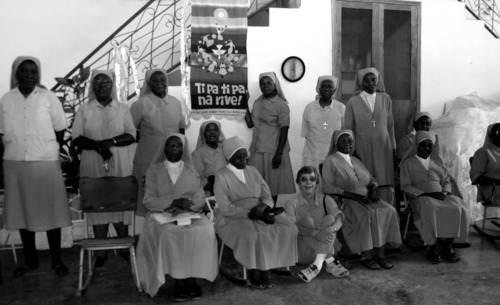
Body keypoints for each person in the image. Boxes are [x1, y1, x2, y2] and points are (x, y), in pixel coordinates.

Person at [0, 56, 71, 277]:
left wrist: (45, 146)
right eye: (25, 71)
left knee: (51, 211)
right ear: (16, 74)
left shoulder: (49, 97)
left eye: (33, 71)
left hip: (45, 162)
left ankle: (57, 260)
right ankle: (30, 260)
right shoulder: (6, 99)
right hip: (15, 162)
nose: (30, 75)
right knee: (23, 212)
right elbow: (2, 132)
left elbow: (60, 128)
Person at [136, 134, 218, 300]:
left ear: (183, 149)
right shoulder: (154, 170)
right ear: (164, 148)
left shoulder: (191, 171)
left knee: (206, 229)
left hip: (190, 214)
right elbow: (148, 200)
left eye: (178, 146)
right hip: (161, 214)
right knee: (172, 233)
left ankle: (193, 276)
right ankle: (179, 280)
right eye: (171, 145)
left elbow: (200, 199)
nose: (174, 149)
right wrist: (173, 202)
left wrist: (187, 206)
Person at [213, 136, 298, 289]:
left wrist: (263, 206)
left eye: (245, 154)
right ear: (229, 157)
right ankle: (255, 269)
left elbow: (267, 194)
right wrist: (252, 213)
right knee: (252, 235)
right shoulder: (221, 177)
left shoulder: (253, 171)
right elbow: (226, 208)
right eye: (238, 156)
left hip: (260, 210)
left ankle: (271, 263)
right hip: (234, 216)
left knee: (289, 227)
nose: (244, 159)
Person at [72, 70, 136, 266]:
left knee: (120, 199)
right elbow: (77, 138)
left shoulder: (123, 109)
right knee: (97, 200)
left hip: (119, 164)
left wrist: (110, 142)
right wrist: (101, 147)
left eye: (106, 82)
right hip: (92, 163)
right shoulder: (85, 109)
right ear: (92, 86)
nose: (102, 85)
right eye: (97, 82)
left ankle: (123, 247)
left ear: (112, 85)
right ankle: (100, 252)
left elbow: (131, 135)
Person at [322, 130, 401, 270]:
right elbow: (327, 187)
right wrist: (354, 196)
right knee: (365, 215)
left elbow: (371, 179)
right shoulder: (330, 161)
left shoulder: (356, 160)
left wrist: (372, 188)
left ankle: (380, 254)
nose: (348, 143)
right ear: (336, 143)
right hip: (347, 200)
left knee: (389, 210)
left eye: (350, 140)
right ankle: (366, 255)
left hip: (368, 197)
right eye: (343, 140)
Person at [400, 131, 470, 264]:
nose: (426, 148)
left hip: (440, 195)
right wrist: (428, 194)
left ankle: (448, 245)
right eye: (423, 145)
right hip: (420, 197)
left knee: (457, 206)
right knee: (430, 208)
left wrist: (444, 193)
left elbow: (447, 181)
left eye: (429, 145)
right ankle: (432, 247)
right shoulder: (407, 163)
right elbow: (405, 185)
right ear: (416, 145)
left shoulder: (437, 163)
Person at [130, 69, 186, 216]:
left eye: (162, 79)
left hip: (171, 158)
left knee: (171, 195)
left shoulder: (176, 103)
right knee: (149, 197)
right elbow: (130, 132)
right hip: (148, 158)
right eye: (155, 80)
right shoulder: (140, 104)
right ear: (149, 83)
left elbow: (181, 132)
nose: (159, 83)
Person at [285, 166, 348, 282]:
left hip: (326, 245)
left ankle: (317, 265)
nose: (308, 183)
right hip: (304, 251)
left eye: (312, 179)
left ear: (317, 183)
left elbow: (339, 217)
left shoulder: (326, 199)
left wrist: (332, 229)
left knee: (330, 219)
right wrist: (312, 232)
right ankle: (329, 260)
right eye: (304, 179)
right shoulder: (291, 203)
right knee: (307, 221)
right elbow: (291, 227)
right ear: (298, 183)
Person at [342, 67, 396, 202]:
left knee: (384, 179)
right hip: (363, 146)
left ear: (378, 81)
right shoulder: (353, 102)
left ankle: (386, 210)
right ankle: (368, 212)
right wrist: (351, 151)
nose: (371, 83)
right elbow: (348, 128)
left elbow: (390, 126)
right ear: (361, 83)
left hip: (384, 146)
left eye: (374, 80)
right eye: (366, 81)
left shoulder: (386, 98)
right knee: (367, 178)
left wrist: (394, 148)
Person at [245, 72, 295, 202]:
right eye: (262, 83)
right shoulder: (257, 102)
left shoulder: (281, 104)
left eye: (269, 83)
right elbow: (250, 124)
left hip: (273, 150)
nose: (265, 86)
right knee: (255, 182)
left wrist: (278, 153)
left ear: (275, 84)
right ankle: (261, 212)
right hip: (257, 149)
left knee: (273, 184)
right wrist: (244, 103)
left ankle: (270, 211)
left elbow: (285, 130)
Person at [301, 76, 345, 169]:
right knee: (312, 181)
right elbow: (306, 133)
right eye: (323, 86)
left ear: (335, 90)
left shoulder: (341, 108)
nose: (326, 89)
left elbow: (343, 133)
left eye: (330, 87)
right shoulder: (309, 108)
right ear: (318, 89)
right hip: (312, 154)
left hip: (333, 155)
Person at [191, 120, 226, 196]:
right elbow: (199, 180)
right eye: (208, 130)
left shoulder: (226, 150)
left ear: (219, 133)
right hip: (210, 193)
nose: (212, 133)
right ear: (203, 133)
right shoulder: (197, 154)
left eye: (215, 130)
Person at [470, 123, 500, 207]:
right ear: (491, 135)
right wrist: (496, 181)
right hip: (491, 189)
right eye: (498, 132)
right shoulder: (482, 152)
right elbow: (475, 177)